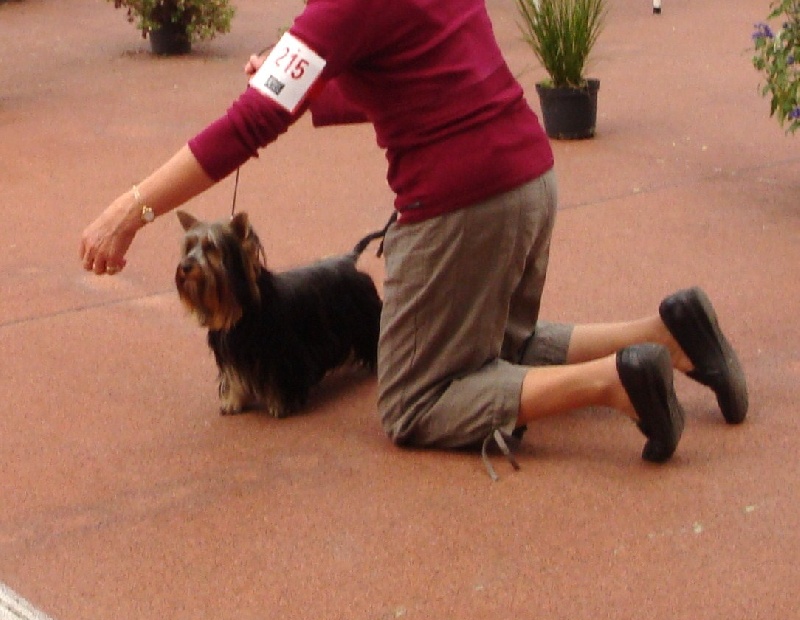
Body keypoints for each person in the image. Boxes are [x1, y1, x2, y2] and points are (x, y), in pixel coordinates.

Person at [80, 0, 747, 476]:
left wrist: (131, 209)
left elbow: (249, 123)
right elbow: (415, 73)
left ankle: (614, 383)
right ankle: (665, 336)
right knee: (499, 348)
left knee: (413, 402)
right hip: (528, 177)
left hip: (462, 204)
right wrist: (310, 89)